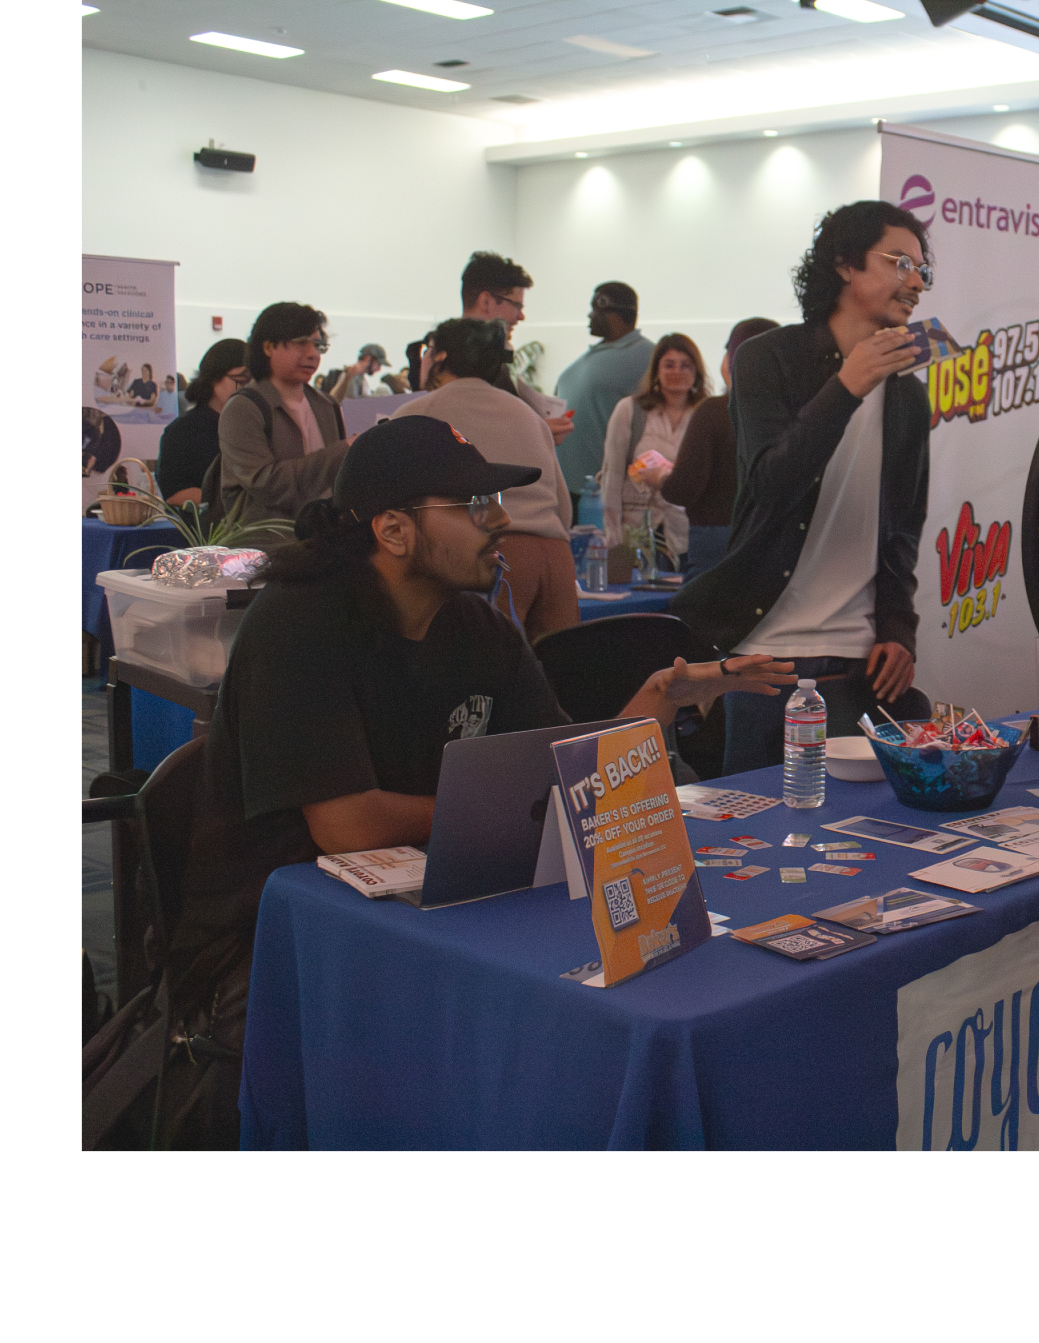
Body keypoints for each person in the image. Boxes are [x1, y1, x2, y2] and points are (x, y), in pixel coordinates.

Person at [161, 413, 795, 1148]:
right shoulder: (299, 621)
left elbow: (563, 766)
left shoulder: (477, 626)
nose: (498, 522)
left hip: (439, 910)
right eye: (471, 506)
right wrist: (492, 808)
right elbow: (346, 827)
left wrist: (655, 703)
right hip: (278, 943)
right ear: (394, 531)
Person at [671, 201, 932, 775]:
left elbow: (903, 526)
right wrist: (846, 386)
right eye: (899, 263)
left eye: (922, 270)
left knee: (861, 820)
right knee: (754, 819)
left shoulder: (908, 394)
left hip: (860, 660)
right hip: (765, 653)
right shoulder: (768, 359)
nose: (916, 283)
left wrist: (898, 628)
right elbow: (769, 484)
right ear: (845, 263)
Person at [393, 318, 581, 642]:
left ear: (439, 356)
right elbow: (563, 507)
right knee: (562, 665)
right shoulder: (528, 414)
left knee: (492, 665)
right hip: (555, 556)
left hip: (495, 555)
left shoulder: (418, 412)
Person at [214, 302, 349, 546]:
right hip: (267, 548)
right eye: (301, 342)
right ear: (268, 347)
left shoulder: (326, 405)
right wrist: (342, 452)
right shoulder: (244, 408)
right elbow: (268, 485)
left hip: (322, 545)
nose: (313, 354)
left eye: (317, 345)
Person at [660, 318, 780, 582]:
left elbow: (684, 488)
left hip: (716, 541)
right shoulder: (795, 413)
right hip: (774, 536)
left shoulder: (716, 411)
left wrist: (660, 478)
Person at [599, 333, 709, 575]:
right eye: (669, 364)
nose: (677, 371)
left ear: (696, 373)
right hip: (636, 532)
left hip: (687, 534)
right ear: (656, 371)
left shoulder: (706, 415)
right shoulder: (630, 410)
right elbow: (612, 476)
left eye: (685, 365)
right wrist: (613, 533)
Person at [459, 250, 574, 446]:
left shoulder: (464, 356)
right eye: (517, 306)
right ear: (486, 302)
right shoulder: (464, 362)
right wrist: (537, 432)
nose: (521, 316)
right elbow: (476, 433)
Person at [554, 282, 654, 493]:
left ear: (613, 314)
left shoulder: (646, 354)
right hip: (567, 484)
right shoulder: (596, 352)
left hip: (601, 489)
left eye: (594, 309)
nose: (589, 315)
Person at [156, 339, 250, 504]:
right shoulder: (183, 431)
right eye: (241, 381)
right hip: (209, 519)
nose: (249, 389)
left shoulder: (258, 426)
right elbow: (174, 493)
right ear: (214, 378)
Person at [328, 342, 401, 400]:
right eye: (378, 364)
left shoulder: (360, 377)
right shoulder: (352, 376)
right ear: (368, 359)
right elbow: (351, 403)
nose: (379, 369)